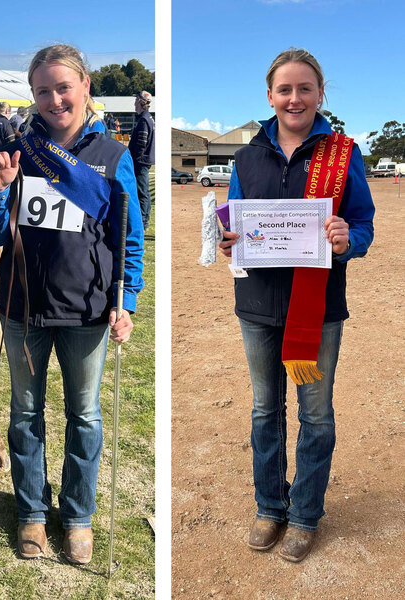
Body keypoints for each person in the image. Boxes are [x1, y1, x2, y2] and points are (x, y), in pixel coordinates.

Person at [0, 44, 144, 565]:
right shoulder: (17, 150)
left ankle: (77, 516)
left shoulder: (114, 158)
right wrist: (1, 191)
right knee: (25, 415)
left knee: (85, 416)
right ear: (32, 96)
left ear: (85, 87)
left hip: (88, 312)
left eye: (63, 87)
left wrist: (128, 300)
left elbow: (129, 238)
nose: (54, 99)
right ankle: (30, 512)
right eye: (42, 90)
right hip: (23, 308)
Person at [218, 48, 374, 563]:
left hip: (319, 310)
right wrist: (228, 241)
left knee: (315, 414)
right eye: (284, 90)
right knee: (266, 411)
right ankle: (270, 507)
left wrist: (346, 236)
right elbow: (232, 225)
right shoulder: (246, 157)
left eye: (304, 88)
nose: (294, 98)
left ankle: (305, 514)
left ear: (320, 94)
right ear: (270, 97)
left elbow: (364, 225)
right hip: (258, 308)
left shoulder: (344, 153)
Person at [128, 90, 155, 231]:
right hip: (143, 160)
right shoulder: (147, 118)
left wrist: (135, 159)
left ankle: (143, 222)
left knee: (142, 192)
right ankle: (144, 219)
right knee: (143, 191)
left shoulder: (144, 120)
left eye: (135, 100)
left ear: (139, 101)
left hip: (141, 161)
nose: (134, 103)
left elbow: (141, 143)